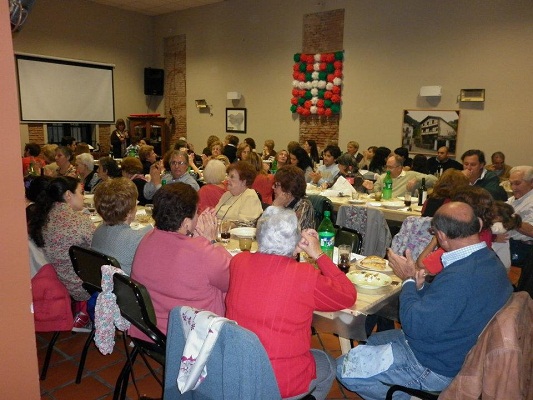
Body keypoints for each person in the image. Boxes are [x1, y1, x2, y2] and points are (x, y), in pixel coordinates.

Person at [337, 202, 513, 400]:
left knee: (343, 369)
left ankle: (413, 396)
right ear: (479, 224)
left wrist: (409, 281)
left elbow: (415, 326)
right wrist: (420, 287)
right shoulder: (488, 259)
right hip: (455, 345)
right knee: (373, 341)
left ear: (442, 236)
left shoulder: (460, 276)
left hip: (435, 364)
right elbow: (450, 301)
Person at [226, 207, 356, 399]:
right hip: (280, 381)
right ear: (295, 244)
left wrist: (294, 244)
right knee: (328, 363)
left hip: (238, 372)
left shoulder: (238, 262)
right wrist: (318, 254)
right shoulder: (304, 276)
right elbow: (348, 295)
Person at [131, 183, 231, 337]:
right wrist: (212, 242)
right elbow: (232, 278)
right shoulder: (202, 252)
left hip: (148, 330)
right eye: (196, 212)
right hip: (188, 336)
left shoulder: (147, 238)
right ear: (186, 223)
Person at [28, 176, 95, 332]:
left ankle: (84, 313)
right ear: (68, 195)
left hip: (58, 278)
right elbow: (100, 249)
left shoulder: (43, 218)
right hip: (81, 285)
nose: (83, 197)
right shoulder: (80, 221)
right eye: (80, 192)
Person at [91, 178, 151, 275]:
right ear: (129, 213)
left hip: (103, 284)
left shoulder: (99, 229)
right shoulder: (136, 239)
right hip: (125, 287)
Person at [364, 154, 437, 198]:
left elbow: (435, 180)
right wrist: (370, 189)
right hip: (385, 208)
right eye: (387, 166)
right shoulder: (382, 177)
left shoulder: (411, 175)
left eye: (390, 167)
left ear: (399, 168)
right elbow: (376, 195)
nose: (387, 170)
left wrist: (417, 179)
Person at [272, 165, 315, 230]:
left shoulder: (304, 206)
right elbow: (261, 226)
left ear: (289, 189)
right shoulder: (282, 202)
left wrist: (275, 208)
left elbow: (289, 234)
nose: (272, 187)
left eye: (276, 185)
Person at [506, 166, 533, 268]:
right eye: (511, 183)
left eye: (517, 183)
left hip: (525, 250)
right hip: (509, 244)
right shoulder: (512, 199)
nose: (513, 187)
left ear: (531, 182)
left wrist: (509, 218)